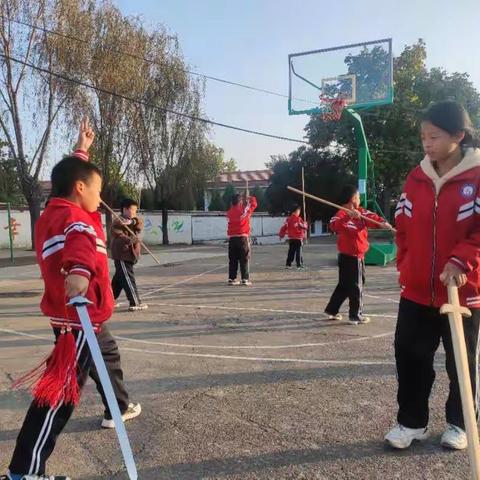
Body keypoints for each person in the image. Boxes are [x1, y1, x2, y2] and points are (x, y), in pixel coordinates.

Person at [2, 121, 140, 480]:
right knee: (57, 399)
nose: (100, 198)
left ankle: (117, 406)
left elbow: (70, 201)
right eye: (97, 190)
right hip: (79, 320)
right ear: (80, 188)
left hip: (83, 320)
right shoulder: (76, 220)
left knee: (107, 356)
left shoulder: (53, 214)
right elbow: (80, 238)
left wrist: (82, 151)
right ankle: (25, 471)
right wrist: (80, 270)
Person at [385, 100, 480, 450]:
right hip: (416, 290)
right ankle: (411, 422)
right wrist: (405, 262)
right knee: (409, 355)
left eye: (434, 136)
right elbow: (403, 224)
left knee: (462, 361)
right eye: (423, 136)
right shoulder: (417, 176)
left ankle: (460, 422)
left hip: (463, 290)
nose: (427, 143)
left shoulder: (477, 175)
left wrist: (461, 260)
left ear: (458, 135)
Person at [324, 184, 392, 325]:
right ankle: (356, 315)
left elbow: (371, 217)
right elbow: (333, 225)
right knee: (356, 286)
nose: (359, 199)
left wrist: (382, 223)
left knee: (345, 285)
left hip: (357, 256)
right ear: (353, 198)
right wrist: (348, 216)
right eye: (359, 197)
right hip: (349, 257)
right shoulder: (341, 214)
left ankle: (332, 310)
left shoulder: (361, 212)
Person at [110, 198, 148, 311]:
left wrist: (133, 221)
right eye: (132, 210)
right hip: (122, 254)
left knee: (119, 279)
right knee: (128, 278)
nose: (134, 213)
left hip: (131, 255)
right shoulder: (117, 221)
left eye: (136, 210)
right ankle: (135, 302)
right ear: (125, 209)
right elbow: (118, 236)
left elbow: (139, 225)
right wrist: (130, 239)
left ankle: (108, 301)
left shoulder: (133, 220)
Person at [226, 192, 257, 286]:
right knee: (244, 259)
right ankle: (245, 279)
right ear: (240, 202)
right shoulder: (244, 210)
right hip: (242, 238)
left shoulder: (229, 212)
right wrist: (249, 198)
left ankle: (232, 279)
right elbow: (254, 204)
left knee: (233, 259)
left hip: (232, 239)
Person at [279, 205, 308, 270]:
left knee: (291, 251)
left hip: (291, 239)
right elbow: (304, 227)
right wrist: (305, 224)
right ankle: (299, 265)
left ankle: (288, 264)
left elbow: (283, 227)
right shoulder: (299, 219)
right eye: (299, 211)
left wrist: (281, 235)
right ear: (296, 211)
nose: (299, 212)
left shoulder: (288, 219)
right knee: (299, 252)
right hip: (298, 238)